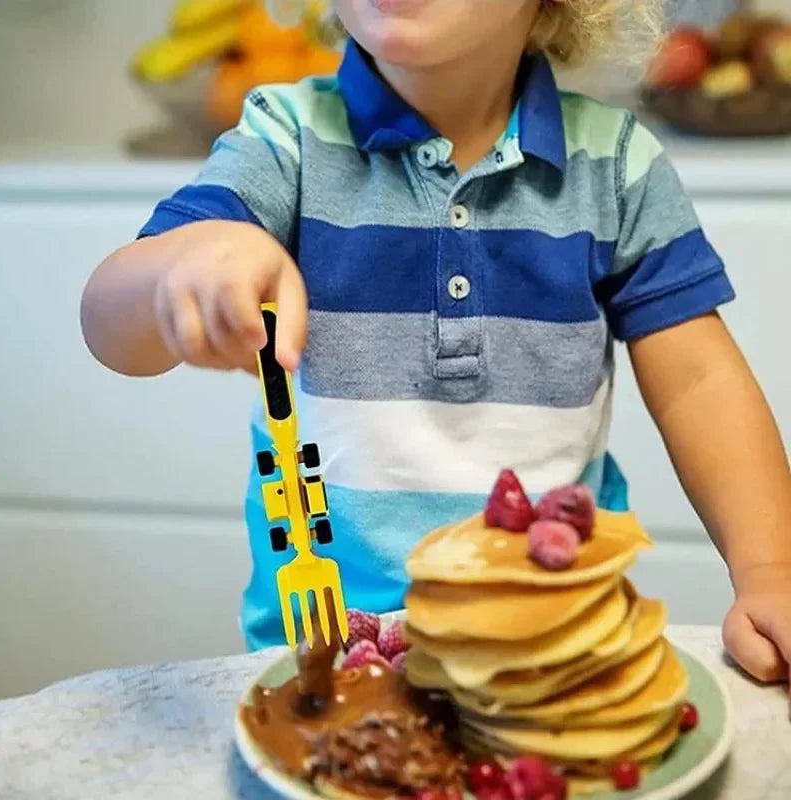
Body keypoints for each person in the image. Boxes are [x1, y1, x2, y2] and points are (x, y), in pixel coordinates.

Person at [81, 0, 791, 685]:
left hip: (556, 648)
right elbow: (111, 329)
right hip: (329, 652)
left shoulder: (619, 164)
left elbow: (700, 381)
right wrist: (185, 264)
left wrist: (770, 572)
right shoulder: (286, 138)